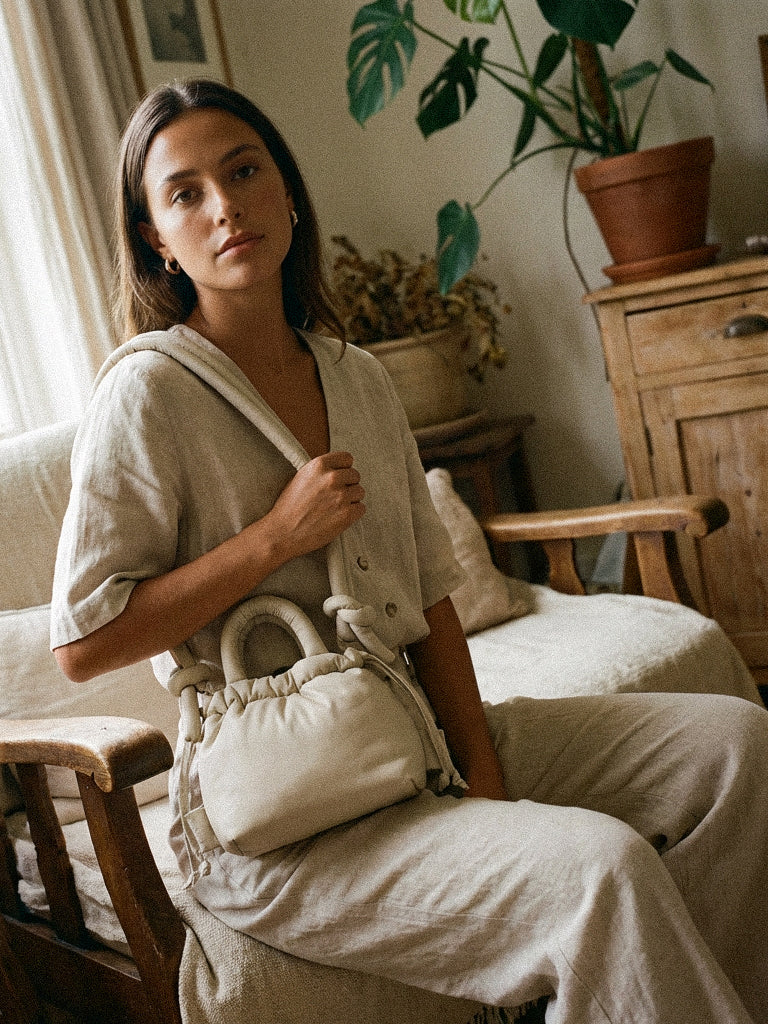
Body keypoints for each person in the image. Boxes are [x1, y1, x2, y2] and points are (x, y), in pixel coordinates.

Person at [50, 78, 768, 1024]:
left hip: (414, 742)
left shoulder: (358, 378)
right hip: (288, 822)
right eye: (184, 193)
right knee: (602, 869)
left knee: (734, 746)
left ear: (288, 192)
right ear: (155, 238)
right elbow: (83, 643)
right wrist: (275, 539)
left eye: (243, 170)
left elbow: (431, 596)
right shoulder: (148, 395)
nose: (224, 206)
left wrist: (486, 777)